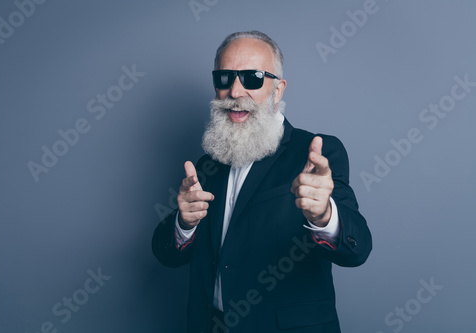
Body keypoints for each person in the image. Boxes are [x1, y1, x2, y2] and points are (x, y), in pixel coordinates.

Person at [152, 31, 372, 333]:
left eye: (252, 78)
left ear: (278, 90)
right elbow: (165, 254)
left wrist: (325, 216)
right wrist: (184, 224)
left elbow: (357, 250)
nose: (235, 91)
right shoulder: (206, 165)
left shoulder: (316, 152)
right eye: (224, 78)